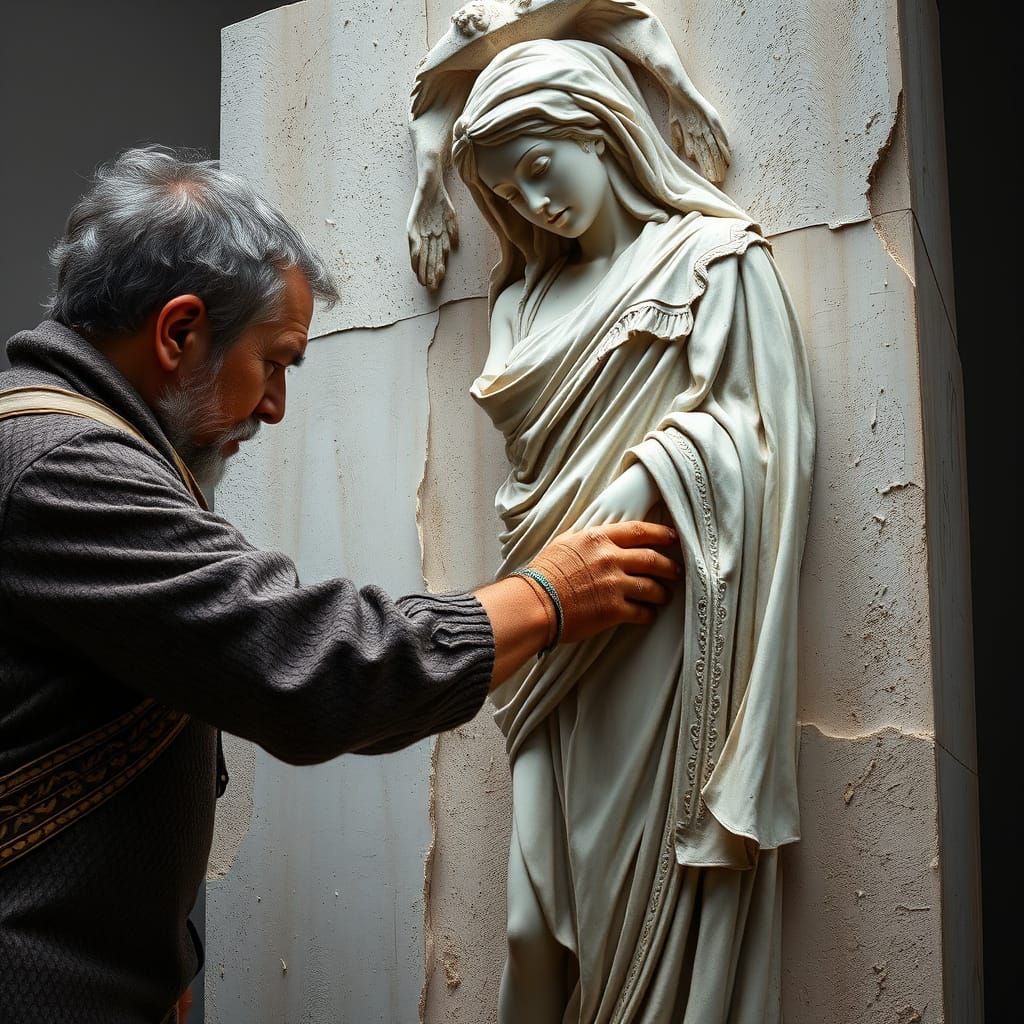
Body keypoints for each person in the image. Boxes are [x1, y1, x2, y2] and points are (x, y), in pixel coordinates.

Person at [0, 146, 682, 1023]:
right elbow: (310, 667)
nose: (276, 406)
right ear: (178, 333)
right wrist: (546, 597)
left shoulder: (59, 443)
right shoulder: (63, 464)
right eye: (276, 362)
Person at [450, 39, 815, 1022]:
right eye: (508, 196)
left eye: (539, 168)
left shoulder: (713, 259)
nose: (534, 206)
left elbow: (764, 433)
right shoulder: (522, 301)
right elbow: (531, 480)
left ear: (600, 127)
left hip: (663, 614)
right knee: (531, 929)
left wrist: (653, 471)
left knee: (645, 901)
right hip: (544, 630)